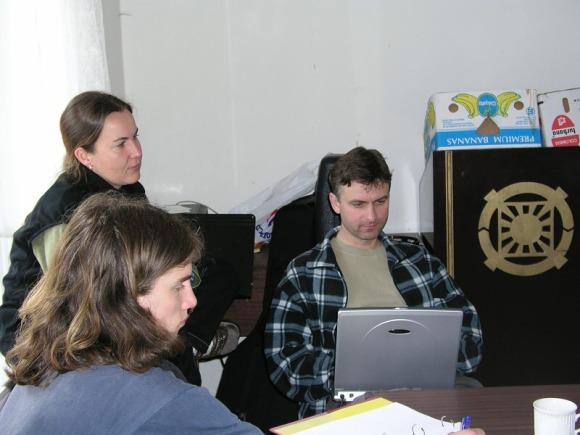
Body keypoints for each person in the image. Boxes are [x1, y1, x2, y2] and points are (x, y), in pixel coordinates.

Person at [0, 91, 236, 385]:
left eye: (135, 137)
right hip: (58, 336)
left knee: (220, 273)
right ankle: (179, 353)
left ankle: (186, 345)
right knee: (168, 347)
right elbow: (80, 303)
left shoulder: (127, 189)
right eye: (121, 144)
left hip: (111, 303)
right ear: (84, 156)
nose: (136, 151)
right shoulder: (64, 213)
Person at [0, 192, 260, 434]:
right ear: (130, 295)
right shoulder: (161, 400)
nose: (191, 300)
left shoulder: (29, 382)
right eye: (178, 285)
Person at [264, 147, 483, 418]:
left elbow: (471, 337)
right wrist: (350, 372)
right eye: (358, 204)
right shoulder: (303, 274)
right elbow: (284, 365)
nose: (371, 216)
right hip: (346, 408)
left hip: (426, 399)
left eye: (381, 201)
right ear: (335, 203)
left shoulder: (420, 261)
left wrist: (416, 364)